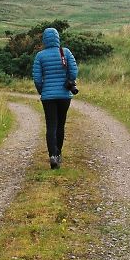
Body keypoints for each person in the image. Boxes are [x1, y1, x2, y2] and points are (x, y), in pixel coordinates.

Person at [32, 27, 78, 169]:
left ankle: (52, 155)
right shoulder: (65, 52)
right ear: (57, 38)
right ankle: (58, 154)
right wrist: (69, 82)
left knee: (51, 125)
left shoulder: (40, 56)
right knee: (60, 125)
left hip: (48, 97)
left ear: (44, 39)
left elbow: (37, 78)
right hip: (64, 95)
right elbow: (74, 71)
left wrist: (42, 91)